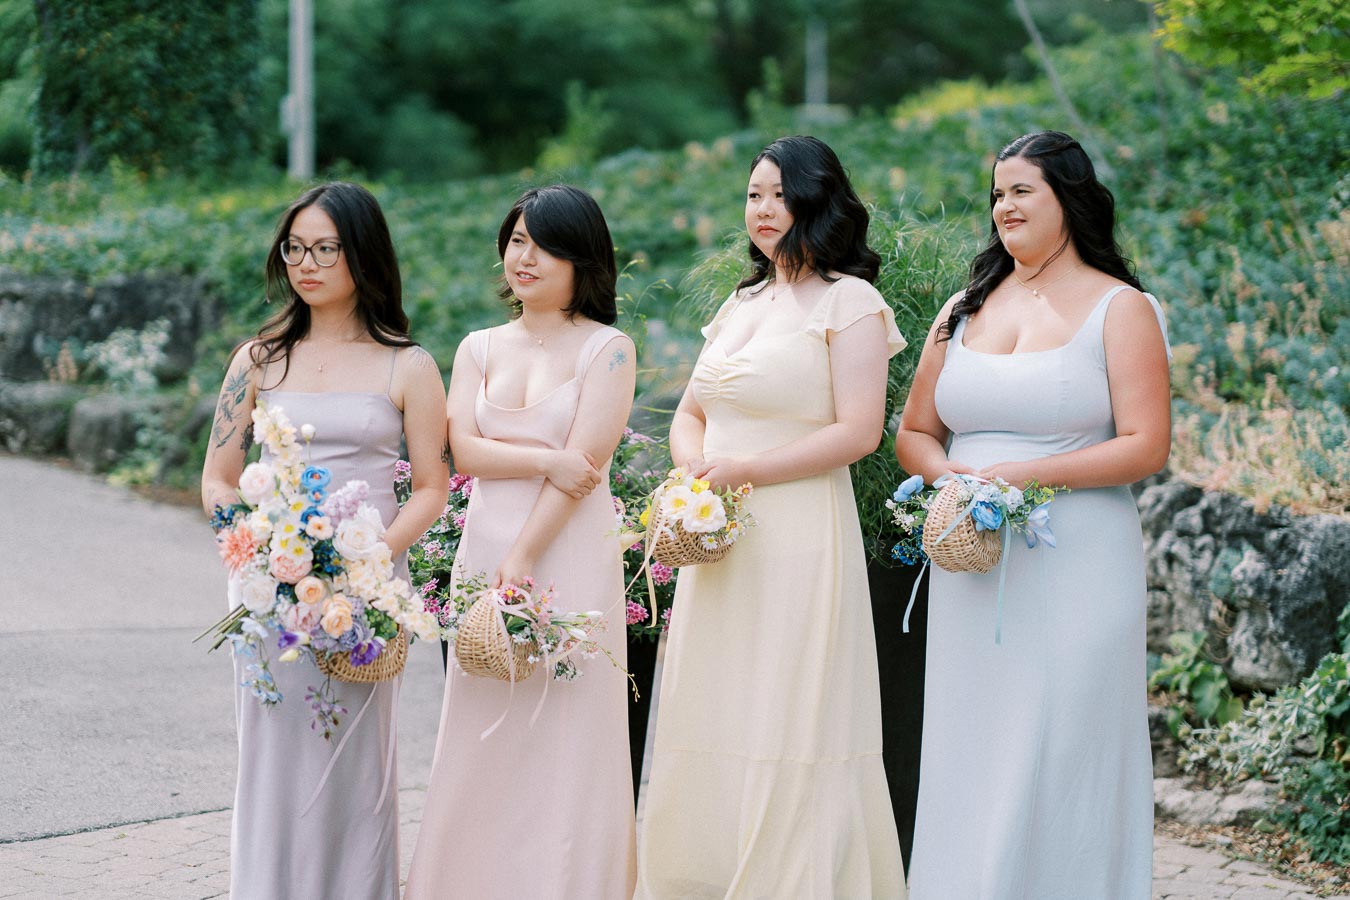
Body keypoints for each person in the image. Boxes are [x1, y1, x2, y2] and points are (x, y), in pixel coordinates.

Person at [895, 131, 1171, 899]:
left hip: (1078, 556)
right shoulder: (963, 308)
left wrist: (1023, 478)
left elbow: (1146, 445)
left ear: (1070, 199)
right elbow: (914, 432)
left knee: (1063, 739)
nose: (1003, 206)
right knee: (975, 740)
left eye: (1022, 190)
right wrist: (956, 482)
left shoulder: (1122, 308)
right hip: (972, 558)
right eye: (996, 193)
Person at [635, 135, 907, 899]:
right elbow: (690, 413)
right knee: (714, 701)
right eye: (754, 194)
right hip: (719, 539)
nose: (763, 209)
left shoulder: (850, 301)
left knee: (790, 707)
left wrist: (746, 472)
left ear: (817, 202)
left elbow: (857, 432)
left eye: (780, 194)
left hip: (796, 533)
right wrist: (694, 475)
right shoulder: (740, 300)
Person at [199, 181, 449, 899]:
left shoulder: (410, 364)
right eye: (295, 248)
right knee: (274, 758)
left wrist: (367, 566)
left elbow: (430, 486)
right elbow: (218, 477)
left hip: (365, 598)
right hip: (272, 590)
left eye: (325, 248)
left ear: (362, 255)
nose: (306, 263)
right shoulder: (257, 360)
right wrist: (248, 543)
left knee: (354, 763)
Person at [404, 184, 637, 899]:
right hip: (490, 537)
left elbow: (585, 467)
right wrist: (543, 459)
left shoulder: (609, 349)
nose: (524, 257)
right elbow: (462, 451)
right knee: (484, 707)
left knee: (567, 717)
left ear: (581, 256)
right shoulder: (478, 347)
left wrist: (527, 554)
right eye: (515, 241)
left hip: (565, 544)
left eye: (542, 243)